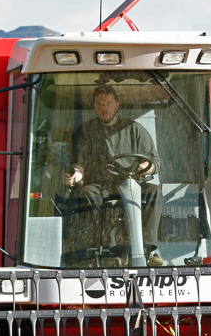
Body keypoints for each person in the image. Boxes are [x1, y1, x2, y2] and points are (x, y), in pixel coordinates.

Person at [63, 86, 164, 265]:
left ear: (117, 105)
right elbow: (79, 162)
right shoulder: (86, 131)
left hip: (132, 182)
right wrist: (76, 174)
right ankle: (102, 247)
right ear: (94, 106)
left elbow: (155, 162)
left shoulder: (134, 129)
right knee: (87, 193)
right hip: (99, 185)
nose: (105, 108)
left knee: (154, 191)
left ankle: (147, 249)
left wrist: (146, 167)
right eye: (100, 104)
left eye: (109, 103)